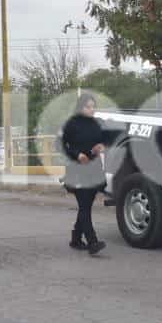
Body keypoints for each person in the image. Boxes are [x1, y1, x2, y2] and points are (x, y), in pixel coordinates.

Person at [60, 93, 107, 255]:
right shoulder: (71, 124)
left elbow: (103, 140)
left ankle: (75, 239)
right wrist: (77, 154)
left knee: (85, 206)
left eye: (93, 106)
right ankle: (92, 242)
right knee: (84, 206)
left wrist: (100, 146)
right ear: (80, 107)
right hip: (76, 169)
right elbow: (62, 145)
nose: (91, 110)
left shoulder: (96, 124)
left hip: (94, 169)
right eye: (88, 106)